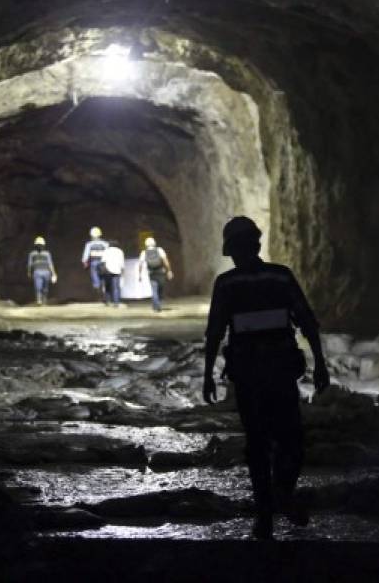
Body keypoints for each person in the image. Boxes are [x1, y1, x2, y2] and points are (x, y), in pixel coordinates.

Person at [203, 216, 330, 540]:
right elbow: (307, 322)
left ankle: (268, 512)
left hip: (251, 375)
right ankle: (276, 502)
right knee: (289, 441)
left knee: (261, 445)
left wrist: (208, 376)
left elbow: (215, 332)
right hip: (276, 373)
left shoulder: (229, 283)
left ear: (233, 249)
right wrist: (319, 364)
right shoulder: (280, 276)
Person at [138, 237, 173, 312]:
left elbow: (140, 264)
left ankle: (156, 306)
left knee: (154, 290)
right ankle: (157, 304)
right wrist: (169, 271)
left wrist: (140, 274)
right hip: (161, 272)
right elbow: (165, 261)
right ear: (154, 243)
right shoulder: (160, 250)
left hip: (151, 273)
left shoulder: (144, 252)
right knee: (160, 289)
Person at [27, 236, 57, 305]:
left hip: (46, 272)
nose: (39, 246)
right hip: (37, 272)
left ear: (43, 245)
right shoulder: (32, 254)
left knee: (45, 288)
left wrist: (54, 273)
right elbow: (30, 264)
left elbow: (50, 264)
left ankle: (44, 299)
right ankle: (39, 300)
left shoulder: (47, 254)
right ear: (35, 245)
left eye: (40, 245)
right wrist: (29, 272)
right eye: (38, 245)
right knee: (38, 287)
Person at [81, 226, 109, 300]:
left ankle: (97, 286)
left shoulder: (89, 244)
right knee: (103, 277)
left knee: (94, 276)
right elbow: (108, 254)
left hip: (94, 262)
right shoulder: (105, 244)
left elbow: (85, 255)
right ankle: (104, 290)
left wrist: (85, 263)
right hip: (103, 263)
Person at [100, 240, 125, 307]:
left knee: (107, 287)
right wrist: (123, 271)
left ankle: (107, 301)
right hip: (117, 271)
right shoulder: (120, 251)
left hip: (107, 271)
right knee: (116, 287)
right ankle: (116, 303)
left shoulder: (106, 251)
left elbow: (103, 261)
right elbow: (122, 263)